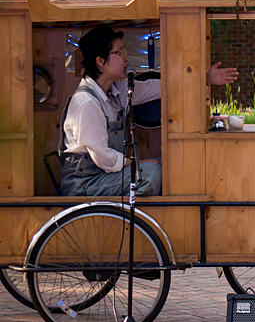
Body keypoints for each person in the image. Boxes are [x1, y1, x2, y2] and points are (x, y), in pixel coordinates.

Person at [60, 23, 237, 197]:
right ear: (100, 61)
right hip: (85, 183)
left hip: (105, 176)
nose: (126, 58)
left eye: (125, 52)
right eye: (119, 52)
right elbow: (103, 158)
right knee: (150, 174)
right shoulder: (87, 103)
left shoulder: (118, 90)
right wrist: (139, 162)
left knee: (165, 165)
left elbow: (160, 87)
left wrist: (203, 78)